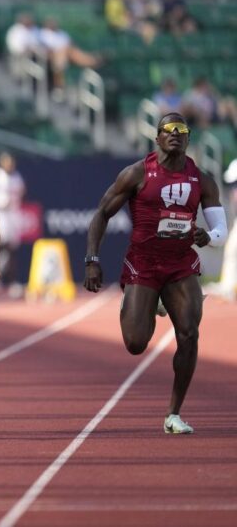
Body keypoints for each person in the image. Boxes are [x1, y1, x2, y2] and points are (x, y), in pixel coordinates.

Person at [84, 112, 227, 434]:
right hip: (144, 263)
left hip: (180, 264)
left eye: (182, 129)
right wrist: (92, 259)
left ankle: (174, 413)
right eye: (169, 129)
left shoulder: (201, 180)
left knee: (189, 332)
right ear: (157, 137)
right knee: (135, 343)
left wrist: (208, 237)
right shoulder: (136, 174)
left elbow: (220, 229)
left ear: (189, 138)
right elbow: (101, 214)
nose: (176, 133)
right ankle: (142, 304)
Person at [0, 152, 26, 295]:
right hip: (0, 215)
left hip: (13, 214)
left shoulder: (17, 177)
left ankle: (12, 281)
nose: (9, 165)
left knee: (12, 248)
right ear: (1, 163)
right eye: (7, 162)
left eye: (11, 162)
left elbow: (22, 192)